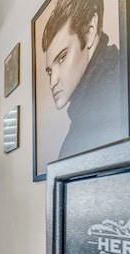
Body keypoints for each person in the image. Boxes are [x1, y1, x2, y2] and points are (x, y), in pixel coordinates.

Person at [42, 0, 123, 159]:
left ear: (90, 32)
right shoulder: (87, 110)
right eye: (50, 71)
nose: (53, 82)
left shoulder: (110, 93)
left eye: (62, 57)